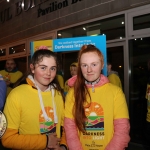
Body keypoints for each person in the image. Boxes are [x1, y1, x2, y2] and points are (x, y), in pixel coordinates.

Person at [64, 44, 130, 150]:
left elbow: (122, 129)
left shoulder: (115, 92)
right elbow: (69, 128)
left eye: (94, 64)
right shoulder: (73, 93)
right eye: (84, 65)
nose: (89, 70)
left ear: (102, 65)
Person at [1, 49, 67, 150]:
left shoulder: (58, 94)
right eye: (43, 68)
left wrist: (63, 146)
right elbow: (7, 139)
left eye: (52, 68)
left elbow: (67, 127)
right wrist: (45, 141)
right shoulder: (16, 95)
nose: (48, 73)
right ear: (32, 68)